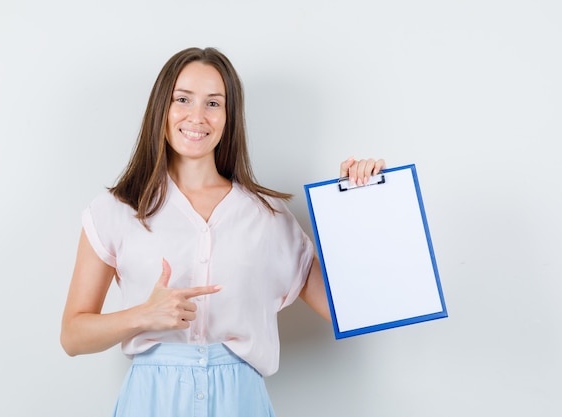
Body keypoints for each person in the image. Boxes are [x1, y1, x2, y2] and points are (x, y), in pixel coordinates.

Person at [60, 46, 385, 417]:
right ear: (160, 109)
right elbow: (72, 335)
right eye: (182, 99)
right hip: (151, 402)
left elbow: (353, 310)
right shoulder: (117, 210)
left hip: (240, 402)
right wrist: (144, 315)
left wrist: (361, 206)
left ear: (229, 117)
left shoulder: (269, 217)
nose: (197, 116)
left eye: (213, 103)